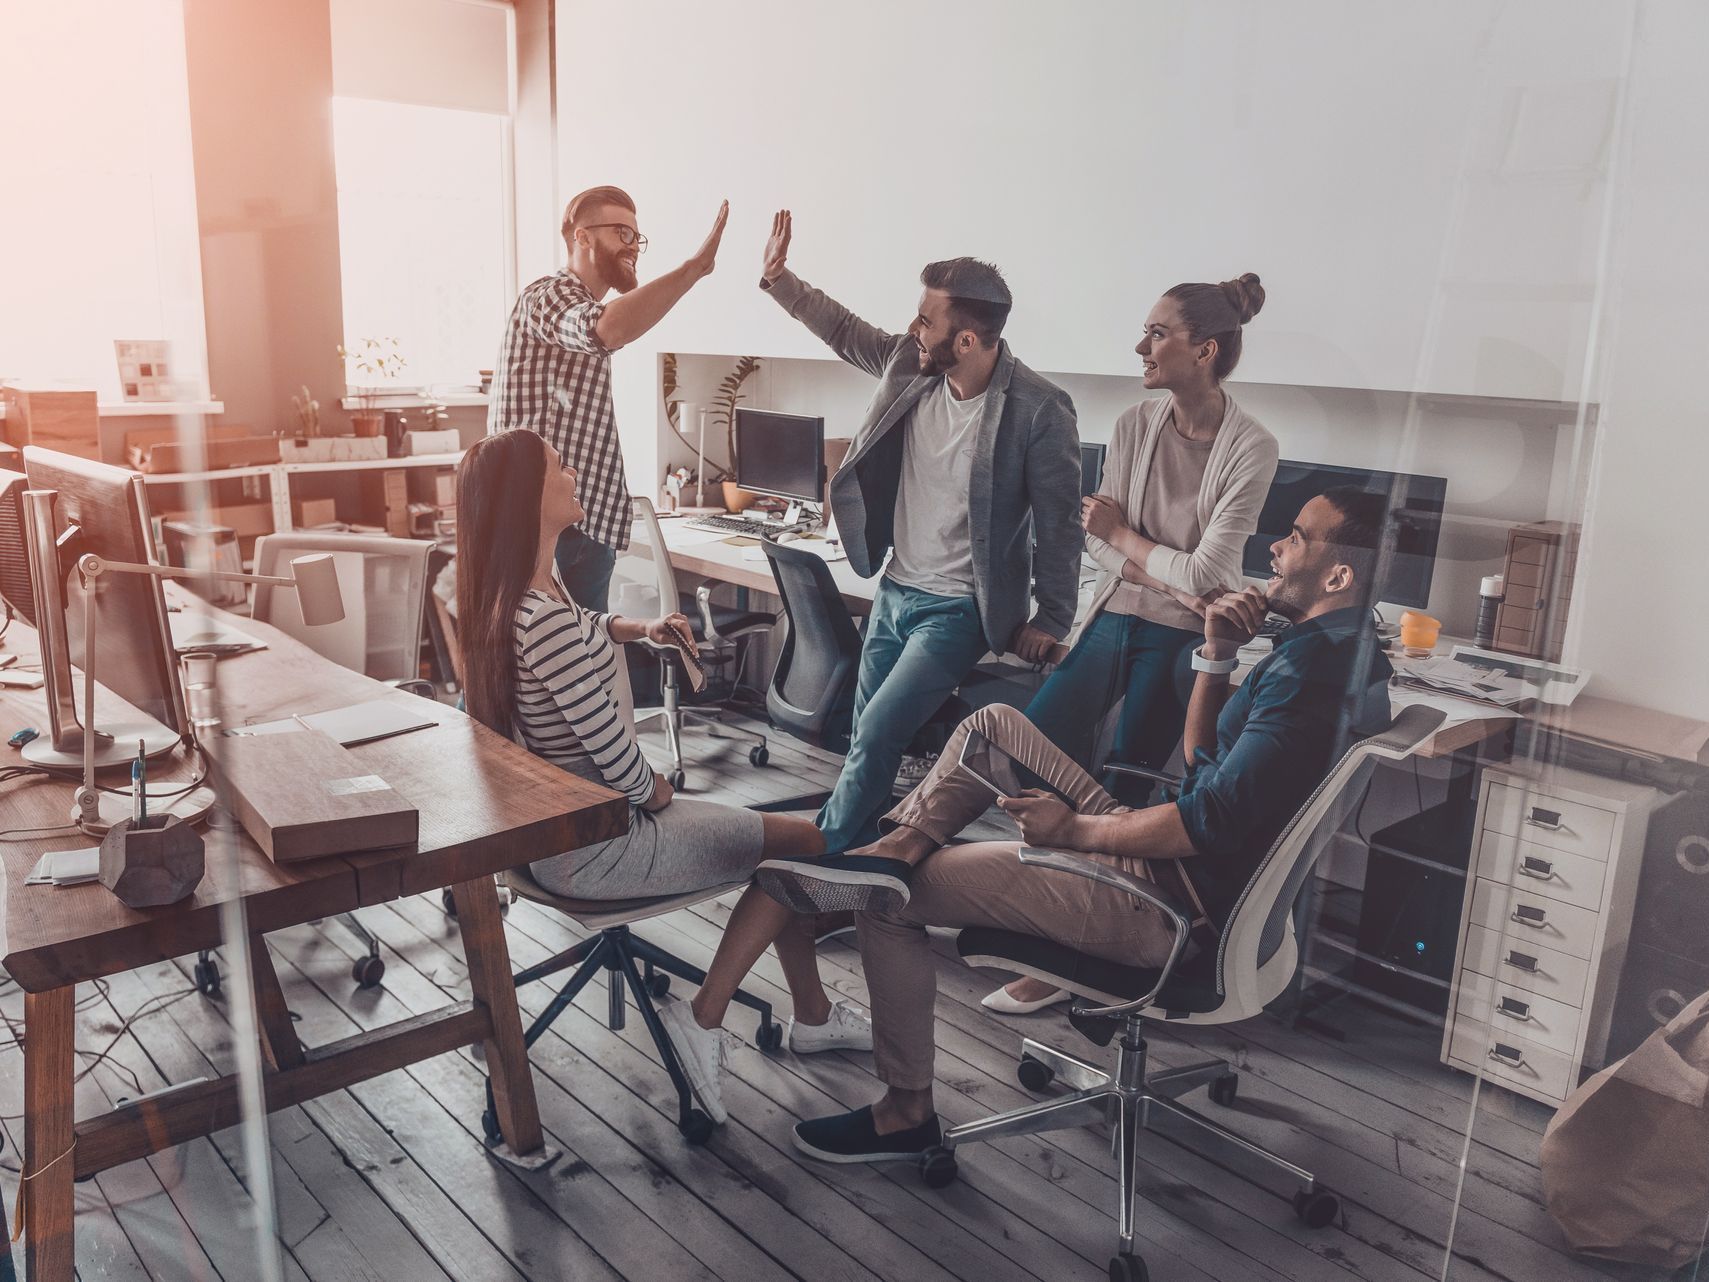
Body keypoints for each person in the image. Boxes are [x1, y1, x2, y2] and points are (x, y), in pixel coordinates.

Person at [757, 487, 1395, 1163]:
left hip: (1165, 903)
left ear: (1337, 575)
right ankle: (892, 848)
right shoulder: (1344, 656)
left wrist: (1073, 833)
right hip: (1172, 862)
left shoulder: (1305, 678)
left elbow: (1202, 823)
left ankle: (904, 1111)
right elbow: (1206, 768)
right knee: (992, 727)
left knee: (888, 905)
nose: (1275, 545)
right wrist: (1214, 656)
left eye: (1296, 536)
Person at [454, 430, 872, 1126]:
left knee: (780, 839)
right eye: (560, 466)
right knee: (802, 843)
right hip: (602, 846)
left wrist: (635, 629)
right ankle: (709, 1018)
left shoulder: (513, 602)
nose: (575, 470)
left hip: (550, 843)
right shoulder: (542, 621)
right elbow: (623, 771)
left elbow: (577, 627)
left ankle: (815, 1016)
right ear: (530, 498)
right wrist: (664, 794)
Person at [990, 274, 1280, 1015]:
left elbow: (1203, 570)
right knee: (1035, 747)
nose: (1140, 345)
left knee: (1124, 789)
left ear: (1204, 349)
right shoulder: (1132, 425)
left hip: (1181, 637)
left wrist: (1125, 535)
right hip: (1118, 614)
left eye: (1156, 333)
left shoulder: (1252, 446)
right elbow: (1104, 557)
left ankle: (1075, 952)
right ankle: (1040, 914)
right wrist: (1164, 571)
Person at [757, 209, 1083, 857]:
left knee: (878, 732)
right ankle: (861, 867)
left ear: (965, 340)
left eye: (926, 319)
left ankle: (817, 866)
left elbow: (1059, 522)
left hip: (959, 608)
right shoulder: (910, 366)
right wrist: (778, 278)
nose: (914, 328)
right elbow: (845, 331)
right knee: (863, 736)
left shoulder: (1038, 410)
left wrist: (1052, 615)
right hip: (895, 587)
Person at [487, 186, 730, 611]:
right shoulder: (548, 296)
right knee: (551, 667)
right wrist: (692, 269)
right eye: (622, 233)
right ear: (582, 237)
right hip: (543, 529)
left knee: (583, 662)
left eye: (637, 237)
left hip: (580, 525)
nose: (633, 247)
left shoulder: (578, 302)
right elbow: (604, 330)